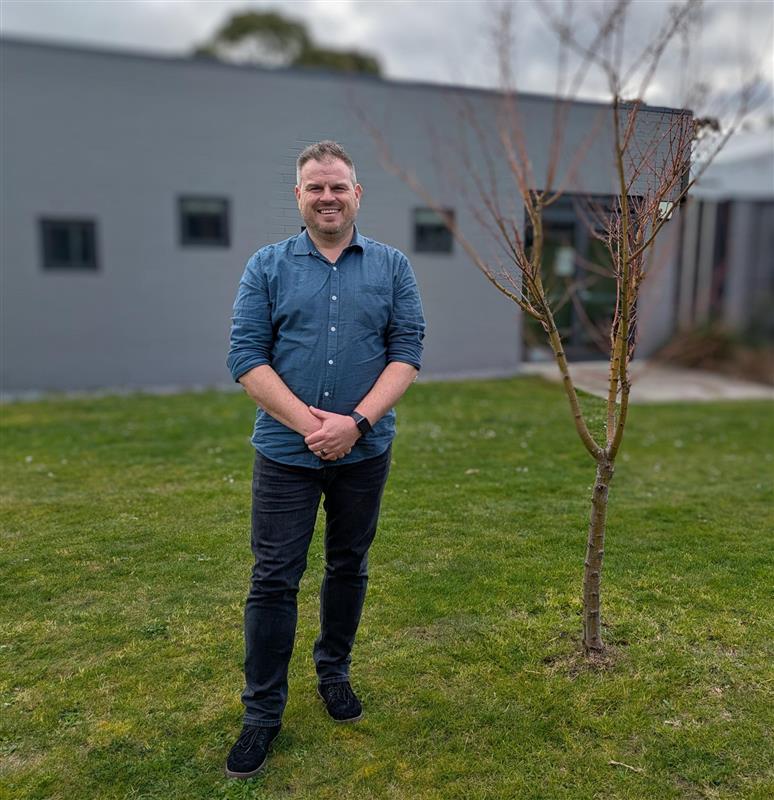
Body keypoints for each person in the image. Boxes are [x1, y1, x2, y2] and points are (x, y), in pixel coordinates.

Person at [224, 140, 425, 779]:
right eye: (316, 187)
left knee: (348, 564)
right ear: (299, 196)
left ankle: (333, 673)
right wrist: (314, 426)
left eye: (339, 186)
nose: (328, 197)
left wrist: (357, 423)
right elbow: (245, 358)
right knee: (274, 578)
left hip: (364, 452)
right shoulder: (267, 266)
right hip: (286, 453)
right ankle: (261, 715)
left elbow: (408, 352)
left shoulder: (392, 267)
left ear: (357, 193)